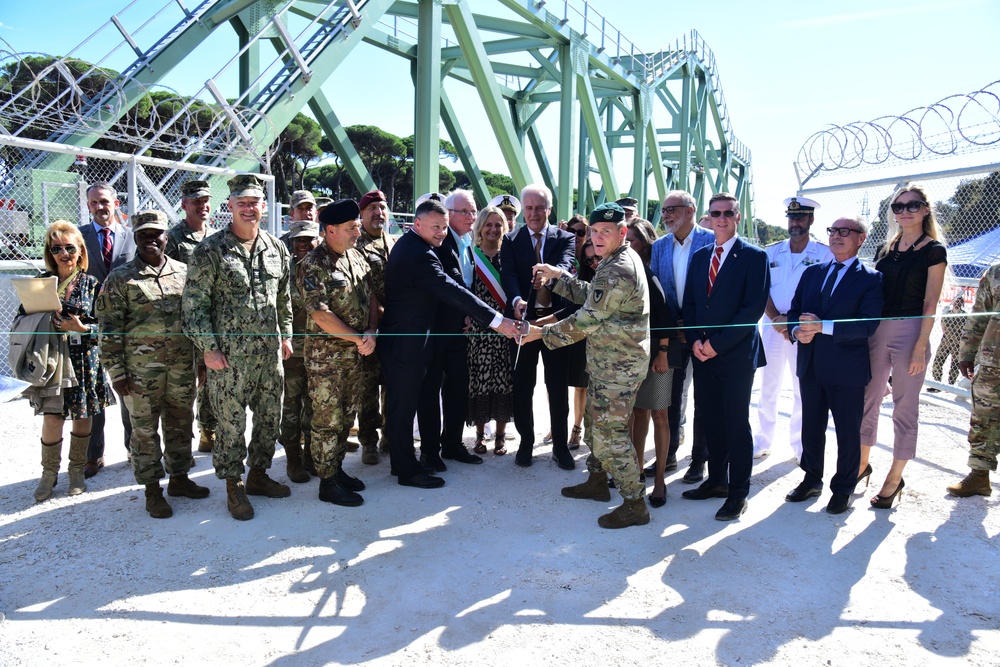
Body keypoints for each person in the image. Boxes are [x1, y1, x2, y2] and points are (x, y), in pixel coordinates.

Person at [523, 202, 651, 529]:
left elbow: (587, 318)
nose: (596, 237)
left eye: (605, 232)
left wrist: (541, 334)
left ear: (622, 233)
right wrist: (558, 278)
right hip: (607, 362)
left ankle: (635, 503)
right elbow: (592, 294)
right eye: (593, 231)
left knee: (612, 434)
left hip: (618, 367)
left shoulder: (620, 267)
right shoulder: (614, 260)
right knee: (596, 425)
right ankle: (596, 482)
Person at [377, 198, 520, 489]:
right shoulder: (419, 253)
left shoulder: (420, 246)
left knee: (404, 407)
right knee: (402, 409)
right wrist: (496, 320)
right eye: (436, 227)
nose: (442, 233)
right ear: (417, 224)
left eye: (444, 228)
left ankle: (405, 464)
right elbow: (450, 289)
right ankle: (406, 470)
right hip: (406, 343)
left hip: (412, 340)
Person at [182, 174, 294, 521]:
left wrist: (286, 334)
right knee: (230, 425)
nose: (248, 208)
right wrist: (208, 349)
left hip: (268, 356)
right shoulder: (210, 250)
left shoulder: (276, 248)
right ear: (229, 206)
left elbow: (283, 298)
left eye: (254, 202)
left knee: (267, 420)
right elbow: (193, 307)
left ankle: (258, 475)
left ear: (264, 206)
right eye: (241, 203)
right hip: (228, 360)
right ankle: (234, 485)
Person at [96, 211, 210, 518]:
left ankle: (180, 479)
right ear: (135, 239)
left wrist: (201, 361)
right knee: (144, 431)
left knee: (180, 423)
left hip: (182, 367)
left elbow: (197, 321)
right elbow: (108, 330)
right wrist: (117, 373)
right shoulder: (120, 278)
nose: (151, 240)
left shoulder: (185, 273)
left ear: (166, 237)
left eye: (156, 234)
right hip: (140, 373)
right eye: (143, 235)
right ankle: (152, 490)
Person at [785, 217, 884, 514]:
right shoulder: (812, 273)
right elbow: (794, 311)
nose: (837, 237)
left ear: (861, 238)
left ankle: (843, 488)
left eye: (845, 232)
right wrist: (795, 331)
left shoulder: (871, 278)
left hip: (846, 370)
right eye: (833, 231)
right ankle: (811, 478)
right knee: (811, 427)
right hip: (812, 364)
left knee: (847, 432)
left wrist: (821, 327)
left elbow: (867, 325)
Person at [681, 192, 769, 521]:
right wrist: (695, 342)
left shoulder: (754, 257)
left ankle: (738, 492)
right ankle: (716, 481)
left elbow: (751, 310)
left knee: (735, 423)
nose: (721, 218)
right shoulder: (701, 255)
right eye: (716, 213)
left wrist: (716, 344)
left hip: (734, 355)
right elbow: (690, 303)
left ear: (737, 217)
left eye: (728, 213)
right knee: (711, 419)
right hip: (702, 353)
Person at [860, 184, 947, 509]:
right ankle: (861, 463)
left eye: (912, 206)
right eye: (898, 206)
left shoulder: (934, 250)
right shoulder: (885, 250)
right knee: (868, 397)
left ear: (925, 209)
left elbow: (930, 302)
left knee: (904, 406)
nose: (904, 211)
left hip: (913, 331)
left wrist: (920, 346)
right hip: (878, 331)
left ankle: (895, 477)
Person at [19, 221, 113, 501]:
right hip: (51, 361)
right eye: (56, 248)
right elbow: (22, 320)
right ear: (50, 252)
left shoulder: (93, 284)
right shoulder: (39, 283)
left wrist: (83, 330)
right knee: (51, 417)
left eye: (70, 248)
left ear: (80, 251)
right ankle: (49, 474)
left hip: (83, 359)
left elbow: (108, 327)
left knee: (82, 415)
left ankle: (76, 471)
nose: (64, 253)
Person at [297, 199, 379, 507]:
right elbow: (321, 315)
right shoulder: (311, 266)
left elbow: (370, 296)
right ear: (330, 230)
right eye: (351, 228)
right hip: (326, 360)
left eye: (357, 226)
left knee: (346, 416)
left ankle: (337, 469)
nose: (358, 232)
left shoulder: (355, 257)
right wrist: (360, 338)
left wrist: (370, 331)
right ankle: (327, 483)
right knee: (327, 420)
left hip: (355, 354)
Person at [499, 184, 577, 469]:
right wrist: (517, 299)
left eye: (539, 208)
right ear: (523, 209)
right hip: (522, 324)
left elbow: (567, 265)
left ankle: (560, 447)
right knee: (522, 386)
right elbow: (507, 274)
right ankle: (526, 443)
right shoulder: (511, 238)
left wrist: (550, 278)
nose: (534, 213)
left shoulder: (565, 238)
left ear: (549, 209)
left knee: (557, 386)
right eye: (528, 208)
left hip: (556, 323)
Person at [755, 196, 834, 460]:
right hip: (772, 327)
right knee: (768, 384)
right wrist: (777, 318)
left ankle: (800, 445)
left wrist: (794, 321)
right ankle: (763, 439)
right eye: (792, 217)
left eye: (801, 217)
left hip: (804, 330)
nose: (795, 223)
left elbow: (824, 293)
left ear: (811, 220)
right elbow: (761, 289)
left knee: (803, 387)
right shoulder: (771, 252)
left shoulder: (824, 254)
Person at [648, 190, 714, 483]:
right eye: (663, 210)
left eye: (672, 209)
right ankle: (669, 454)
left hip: (703, 335)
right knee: (671, 398)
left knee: (705, 398)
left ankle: (700, 460)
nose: (666, 215)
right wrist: (671, 325)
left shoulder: (711, 241)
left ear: (690, 210)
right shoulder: (659, 246)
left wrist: (696, 325)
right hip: (672, 334)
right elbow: (656, 290)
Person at [79, 182, 136, 477]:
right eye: (94, 203)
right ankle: (93, 455)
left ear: (115, 203)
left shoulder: (132, 237)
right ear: (88, 206)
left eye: (104, 201)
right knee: (94, 391)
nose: (100, 207)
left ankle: (133, 449)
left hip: (126, 326)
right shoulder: (79, 237)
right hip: (89, 325)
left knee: (128, 389)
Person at [627, 217, 677, 508]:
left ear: (644, 244)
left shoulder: (651, 273)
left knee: (659, 415)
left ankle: (659, 480)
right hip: (636, 355)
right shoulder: (629, 271)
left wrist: (662, 352)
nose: (627, 245)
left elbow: (664, 317)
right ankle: (635, 473)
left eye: (632, 240)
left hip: (660, 353)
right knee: (639, 414)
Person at [165, 179, 218, 453]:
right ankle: (180, 446)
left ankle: (208, 430)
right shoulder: (173, 239)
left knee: (211, 378)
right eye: (196, 201)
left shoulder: (216, 236)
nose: (203, 206)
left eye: (205, 200)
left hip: (213, 321)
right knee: (186, 383)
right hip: (184, 323)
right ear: (184, 205)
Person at [947, 263, 1000, 497]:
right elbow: (980, 313)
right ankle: (979, 475)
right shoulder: (996, 272)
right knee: (983, 417)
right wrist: (967, 352)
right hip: (993, 360)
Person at [467, 206, 515, 455]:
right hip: (479, 329)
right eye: (489, 224)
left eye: (498, 225)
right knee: (480, 381)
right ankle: (479, 436)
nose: (493, 229)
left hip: (505, 329)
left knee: (503, 382)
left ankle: (500, 437)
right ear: (480, 227)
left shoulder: (510, 255)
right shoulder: (470, 255)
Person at [355, 189, 395, 463]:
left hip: (395, 328)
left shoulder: (396, 243)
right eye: (372, 209)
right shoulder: (355, 246)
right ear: (362, 214)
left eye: (382, 208)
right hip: (367, 328)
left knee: (393, 386)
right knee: (367, 388)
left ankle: (390, 438)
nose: (378, 213)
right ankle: (369, 441)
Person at [280, 217, 320, 484]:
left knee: (315, 407)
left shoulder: (323, 269)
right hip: (293, 354)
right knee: (292, 407)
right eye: (299, 240)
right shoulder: (285, 272)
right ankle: (293, 459)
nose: (304, 244)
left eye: (309, 239)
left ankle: (309, 455)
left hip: (319, 352)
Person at [564, 214, 590, 450]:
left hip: (583, 327)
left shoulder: (592, 258)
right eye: (571, 231)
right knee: (559, 381)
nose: (575, 236)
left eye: (581, 232)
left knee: (582, 384)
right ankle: (558, 425)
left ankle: (577, 428)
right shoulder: (560, 252)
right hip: (562, 322)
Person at [930, 292, 968, 389]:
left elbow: (964, 329)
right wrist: (944, 315)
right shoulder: (948, 314)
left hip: (957, 343)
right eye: (956, 301)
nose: (957, 303)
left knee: (954, 365)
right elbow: (944, 328)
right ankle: (936, 384)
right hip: (946, 341)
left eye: (960, 301)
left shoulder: (965, 316)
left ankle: (950, 385)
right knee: (938, 361)